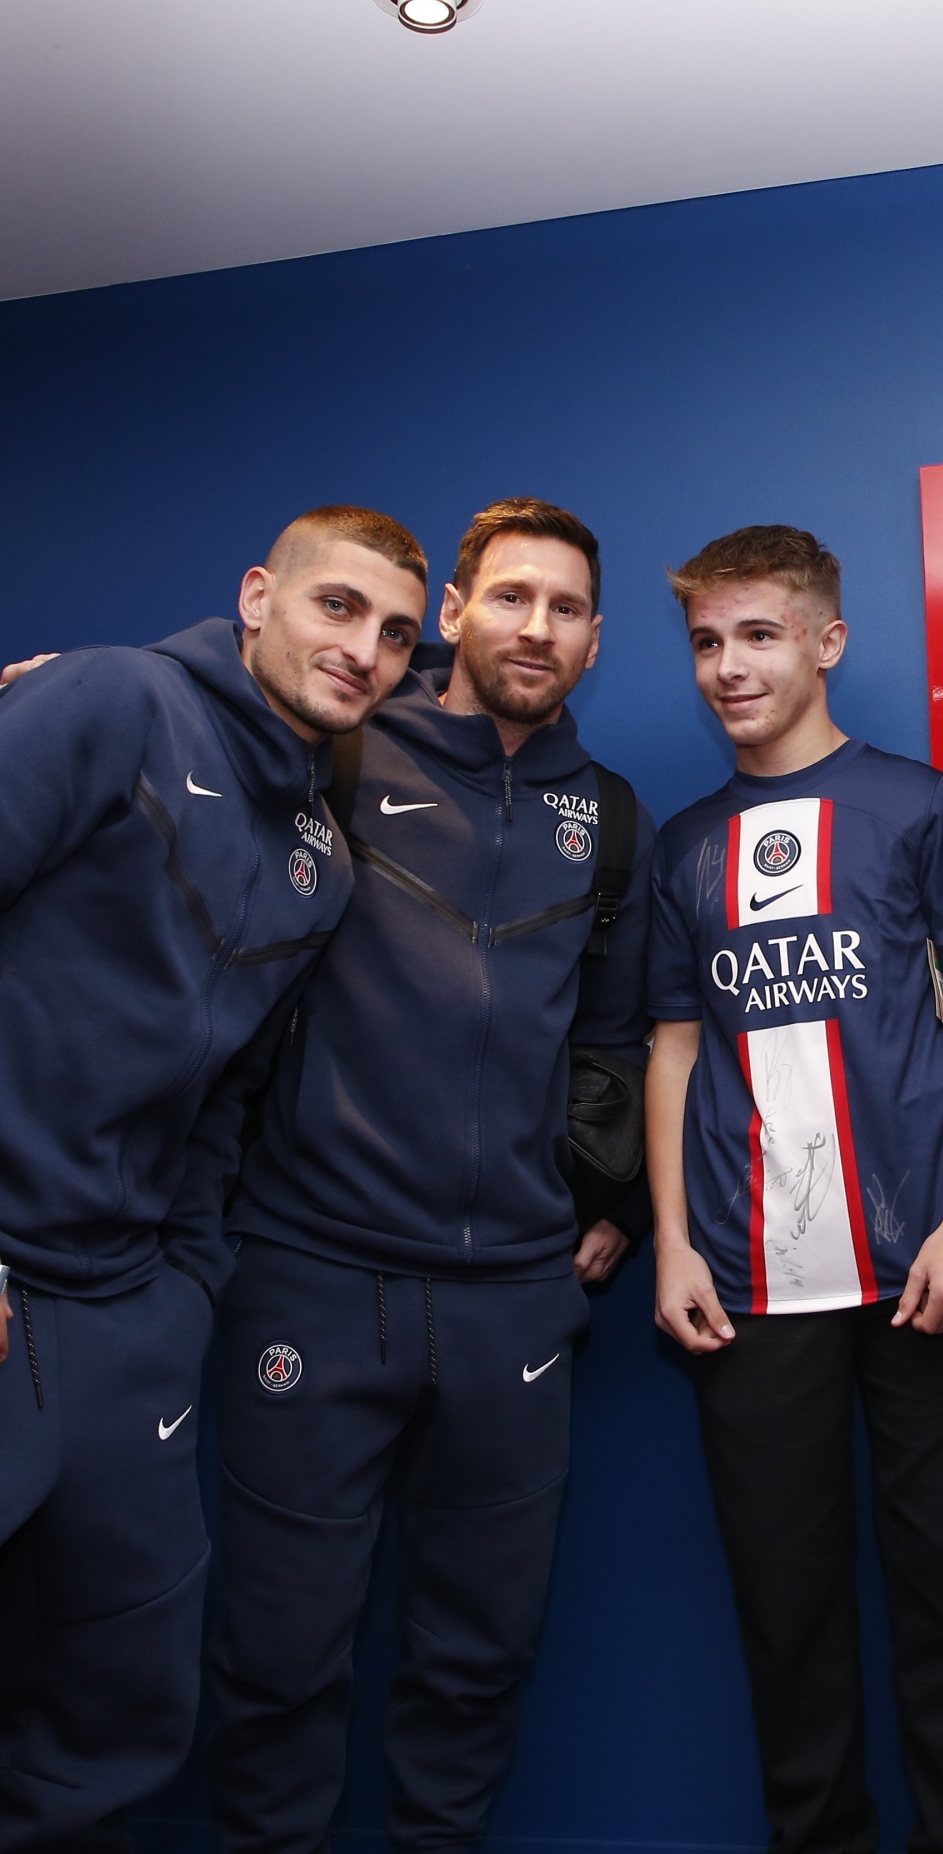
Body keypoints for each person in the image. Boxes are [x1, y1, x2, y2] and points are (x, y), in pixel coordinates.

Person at [201, 498, 654, 1854]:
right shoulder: (330, 749)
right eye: (511, 598)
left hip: (514, 1304)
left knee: (477, 1660)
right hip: (310, 1280)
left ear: (594, 640)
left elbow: (614, 1036)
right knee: (278, 1663)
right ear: (451, 617)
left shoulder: (608, 815)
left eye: (567, 608)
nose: (538, 627)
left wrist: (610, 1199)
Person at [0, 506, 428, 1850]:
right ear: (259, 597)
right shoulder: (111, 700)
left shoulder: (323, 860)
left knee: (117, 1715)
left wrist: (180, 1291)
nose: (366, 651)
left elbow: (221, 1105)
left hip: (125, 1314)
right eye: (339, 608)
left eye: (399, 635)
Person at [646, 524, 943, 1854]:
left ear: (826, 640)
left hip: (927, 1268)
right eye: (705, 641)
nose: (728, 667)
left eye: (757, 635)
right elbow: (674, 1045)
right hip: (749, 1283)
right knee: (787, 1606)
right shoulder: (685, 842)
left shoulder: (917, 806)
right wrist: (672, 1246)